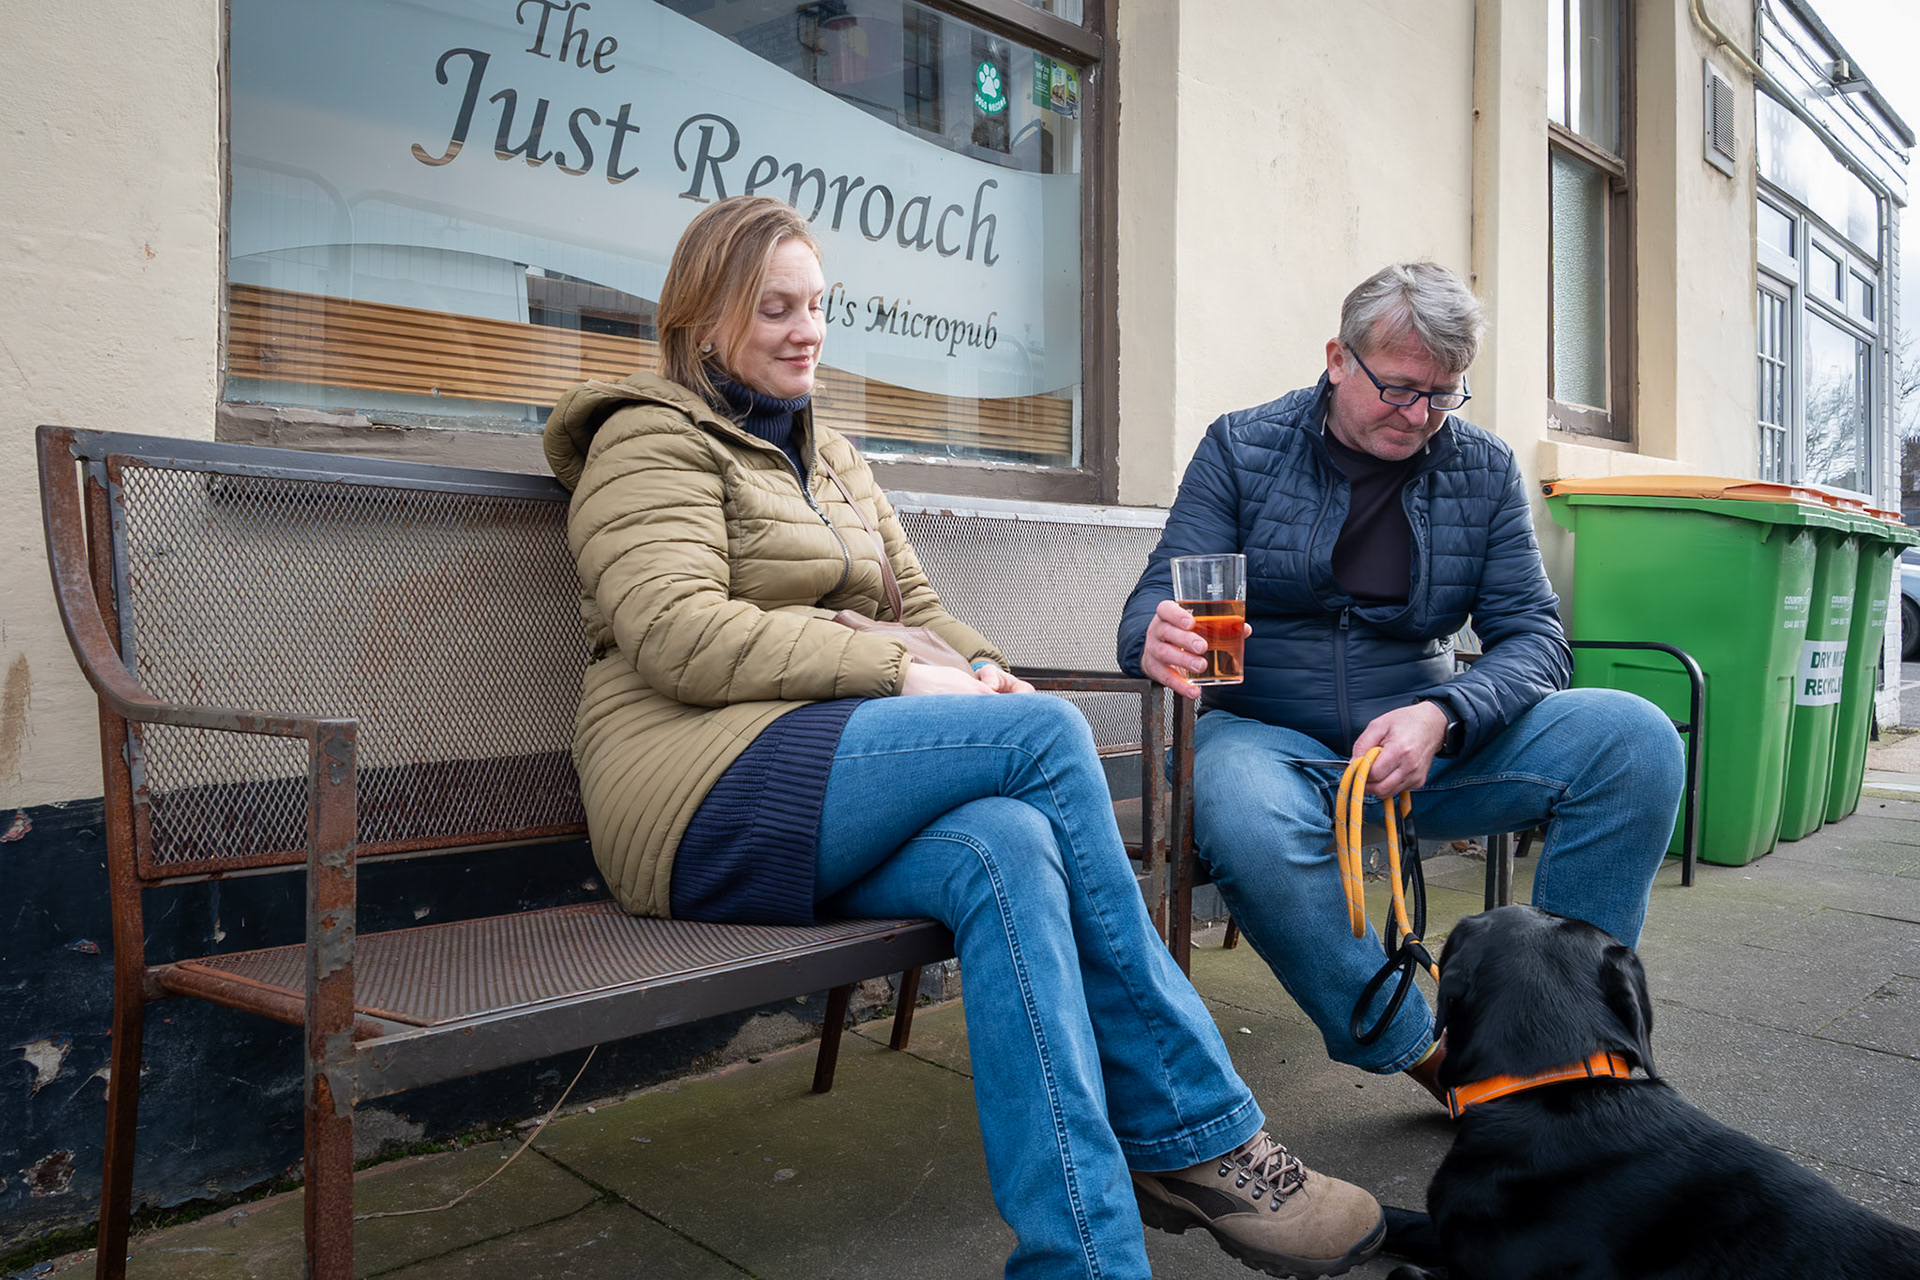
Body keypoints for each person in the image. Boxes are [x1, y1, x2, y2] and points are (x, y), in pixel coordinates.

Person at [542, 195, 1386, 1280]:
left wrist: (981, 667)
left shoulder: (832, 455)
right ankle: (1204, 1131)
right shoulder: (646, 438)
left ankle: (1081, 1258)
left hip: (824, 771)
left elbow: (923, 605)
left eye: (819, 306)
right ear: (701, 320)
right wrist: (902, 668)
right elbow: (676, 635)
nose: (808, 331)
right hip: (695, 791)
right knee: (1042, 737)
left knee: (1009, 848)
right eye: (775, 309)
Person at [1116, 261, 1685, 1101]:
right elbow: (1156, 599)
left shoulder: (1482, 468)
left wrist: (1443, 715)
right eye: (1400, 389)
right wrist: (1152, 638)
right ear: (1339, 358)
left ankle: (1566, 1046)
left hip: (1419, 746)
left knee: (1635, 740)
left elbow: (1534, 636)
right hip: (1263, 740)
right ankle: (1433, 1056)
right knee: (1237, 800)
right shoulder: (1243, 444)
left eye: (1443, 395)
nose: (1419, 416)